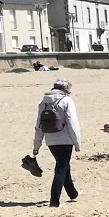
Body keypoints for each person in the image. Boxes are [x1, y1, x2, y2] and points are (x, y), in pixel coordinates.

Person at [31, 78, 82, 208]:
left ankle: (72, 193)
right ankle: (54, 200)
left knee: (64, 166)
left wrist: (37, 145)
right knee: (61, 168)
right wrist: (77, 143)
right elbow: (72, 123)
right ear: (65, 89)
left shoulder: (43, 102)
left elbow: (38, 125)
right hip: (65, 140)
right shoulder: (66, 101)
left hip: (50, 140)